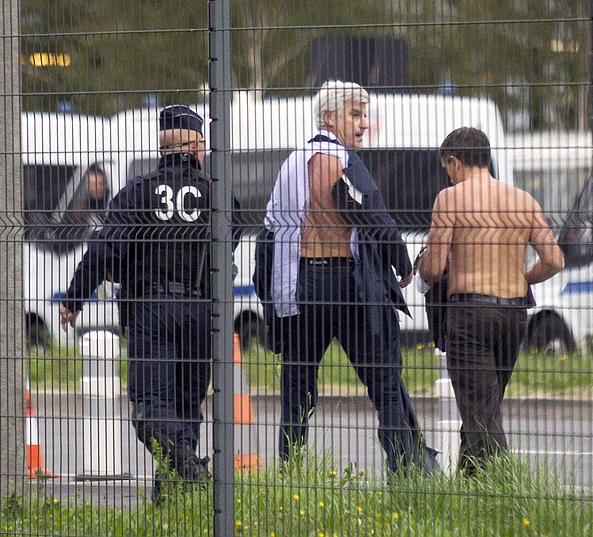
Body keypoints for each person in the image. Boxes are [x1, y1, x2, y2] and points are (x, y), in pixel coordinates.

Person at [254, 80, 439, 476]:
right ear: (329, 117)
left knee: (296, 386)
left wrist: (269, 295)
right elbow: (374, 216)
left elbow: (268, 233)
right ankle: (408, 468)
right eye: (355, 115)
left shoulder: (291, 164)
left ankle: (289, 470)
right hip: (346, 286)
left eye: (364, 115)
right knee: (384, 380)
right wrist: (401, 264)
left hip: (300, 289)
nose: (363, 124)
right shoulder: (341, 162)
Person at [59, 105, 216, 502]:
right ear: (196, 143)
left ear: (161, 148)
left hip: (151, 308)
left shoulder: (138, 191)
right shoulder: (217, 191)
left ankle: (185, 473)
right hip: (201, 311)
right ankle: (174, 496)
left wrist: (75, 297)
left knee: (150, 407)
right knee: (185, 408)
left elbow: (104, 249)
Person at [417, 127, 565, 476]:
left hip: (470, 313)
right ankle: (471, 489)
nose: (447, 177)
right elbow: (555, 260)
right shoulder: (523, 200)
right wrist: (521, 277)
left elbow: (436, 269)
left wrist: (423, 261)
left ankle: (503, 486)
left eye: (446, 169)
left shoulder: (450, 199)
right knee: (482, 405)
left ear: (454, 162)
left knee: (481, 413)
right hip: (514, 315)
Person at [59, 165, 110, 240]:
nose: (98, 188)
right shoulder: (83, 204)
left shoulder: (111, 201)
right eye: (93, 185)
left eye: (101, 183)